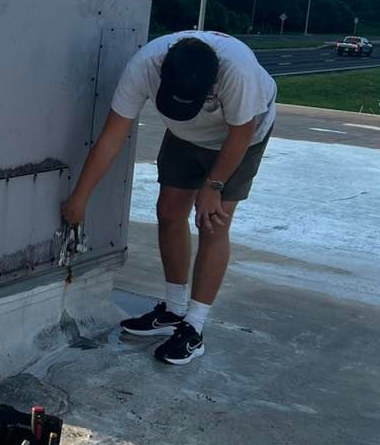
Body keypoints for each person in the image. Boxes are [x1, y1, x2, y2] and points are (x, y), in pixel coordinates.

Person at [61, 32, 276, 366]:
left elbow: (241, 134)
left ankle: (194, 326)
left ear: (211, 86)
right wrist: (79, 197)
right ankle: (174, 311)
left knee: (212, 223)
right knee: (169, 212)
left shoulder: (239, 72)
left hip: (240, 139)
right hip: (184, 135)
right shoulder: (145, 65)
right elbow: (111, 138)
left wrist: (214, 186)